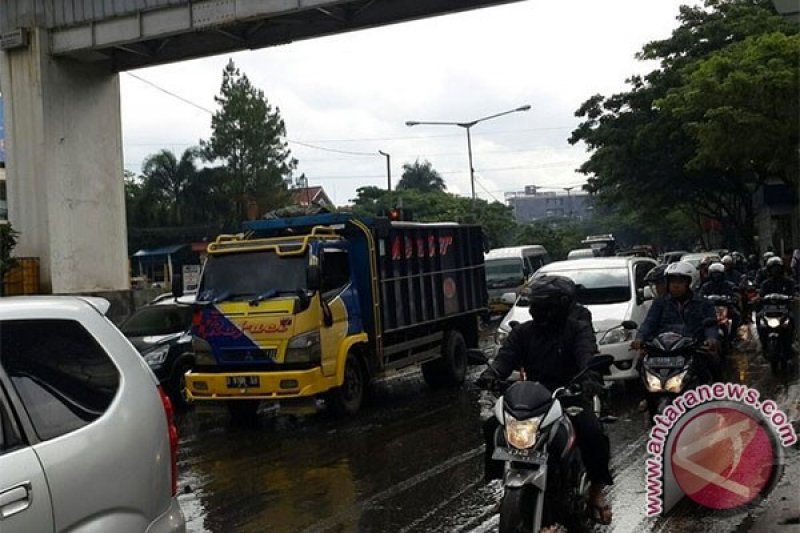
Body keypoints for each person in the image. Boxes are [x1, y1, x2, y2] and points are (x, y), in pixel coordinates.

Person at [477, 275, 613, 525]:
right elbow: (504, 360)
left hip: (569, 393)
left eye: (541, 305)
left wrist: (590, 377)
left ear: (559, 306)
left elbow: (587, 355)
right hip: (531, 397)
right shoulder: (523, 332)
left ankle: (595, 493)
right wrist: (490, 375)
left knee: (592, 431)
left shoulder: (577, 330)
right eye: (534, 304)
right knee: (493, 426)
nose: (535, 310)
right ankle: (503, 484)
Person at [631, 261, 719, 378]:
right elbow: (649, 322)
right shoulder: (660, 303)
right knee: (641, 367)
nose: (675, 285)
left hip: (691, 349)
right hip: (663, 350)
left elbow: (710, 325)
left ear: (690, 283)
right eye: (672, 281)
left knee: (713, 364)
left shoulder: (703, 303)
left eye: (680, 282)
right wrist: (640, 338)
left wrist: (711, 339)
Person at [699, 262, 742, 341]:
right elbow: (700, 296)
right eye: (714, 274)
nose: (716, 276)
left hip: (726, 307)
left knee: (736, 315)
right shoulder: (706, 286)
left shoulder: (729, 285)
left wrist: (734, 298)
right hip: (711, 308)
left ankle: (733, 335)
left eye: (718, 274)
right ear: (710, 275)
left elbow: (735, 293)